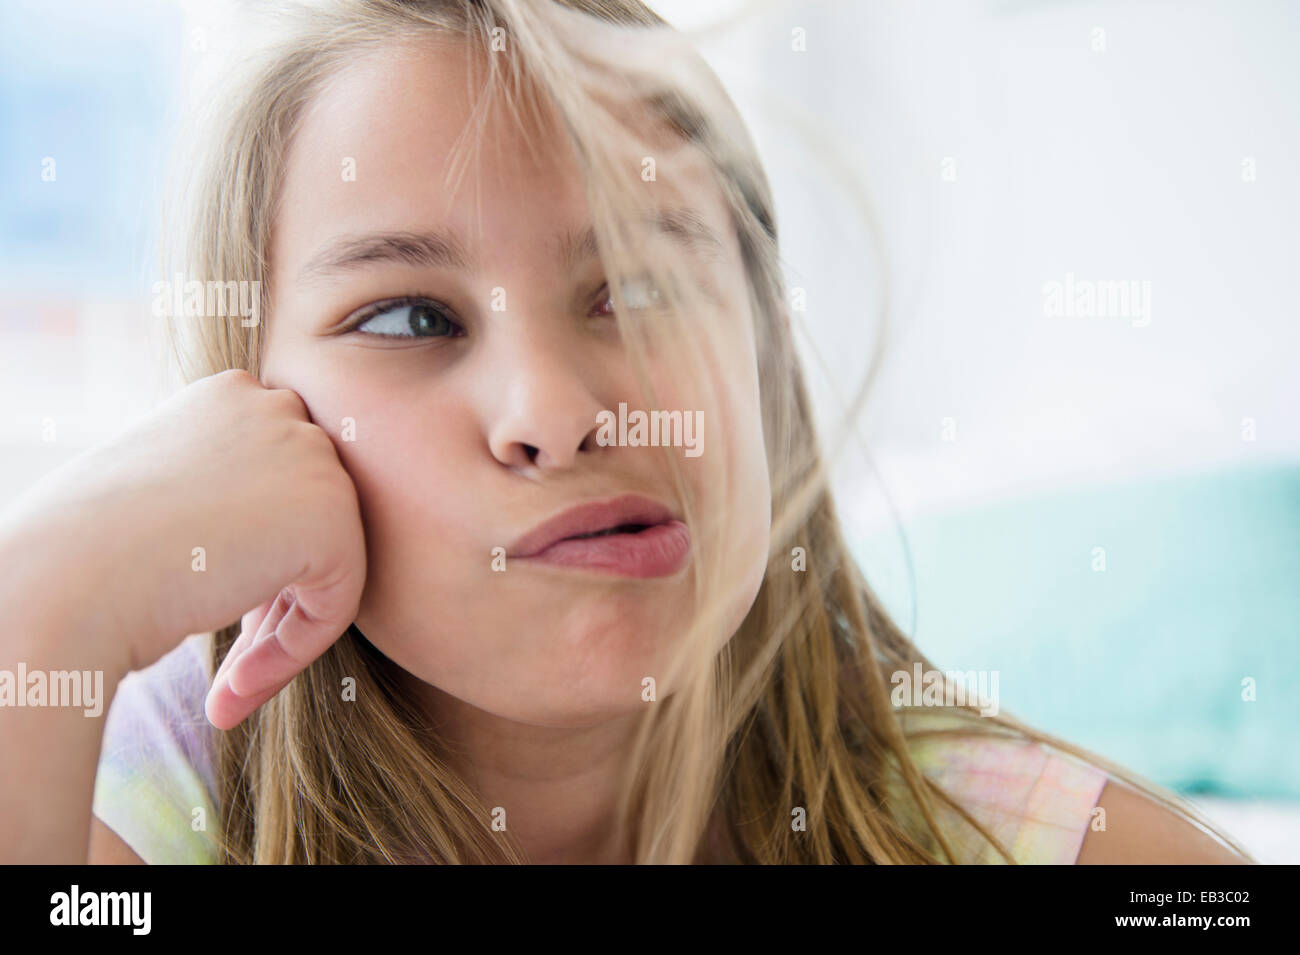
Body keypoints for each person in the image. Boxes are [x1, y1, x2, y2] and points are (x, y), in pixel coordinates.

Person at [0, 0, 1252, 864]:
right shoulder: (147, 813)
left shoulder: (1021, 836)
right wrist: (48, 597)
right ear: (243, 415)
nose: (553, 409)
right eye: (407, 315)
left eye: (640, 290)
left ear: (764, 360)